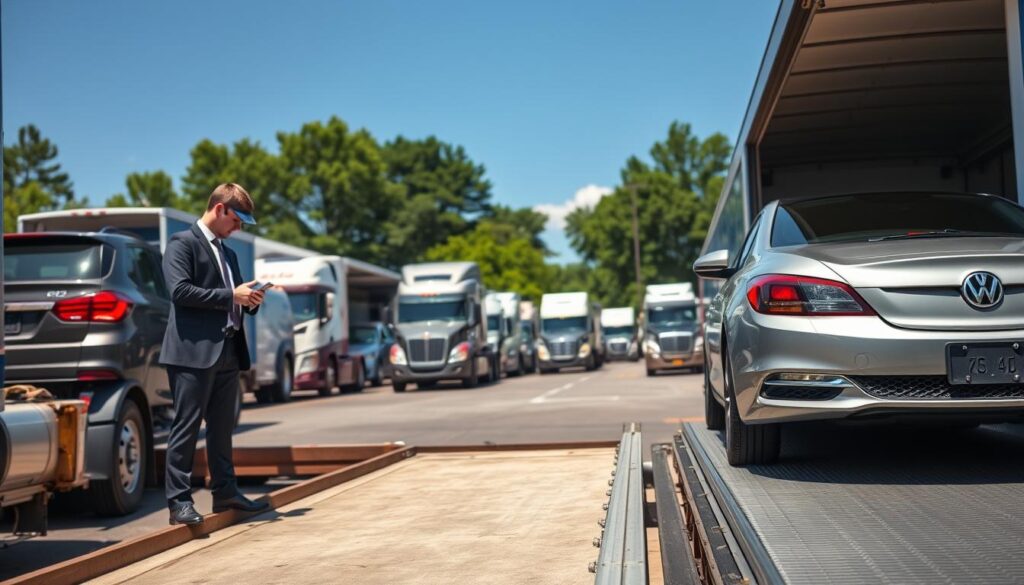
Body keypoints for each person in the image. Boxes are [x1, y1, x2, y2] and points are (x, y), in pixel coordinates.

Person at [160, 183, 270, 525]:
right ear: (220, 209)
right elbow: (179, 291)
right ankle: (179, 502)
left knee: (222, 429)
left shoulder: (229, 253)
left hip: (227, 350)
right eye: (236, 220)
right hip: (191, 354)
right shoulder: (182, 243)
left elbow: (233, 297)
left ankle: (225, 493)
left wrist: (250, 300)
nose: (238, 229)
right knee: (187, 427)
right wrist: (231, 296)